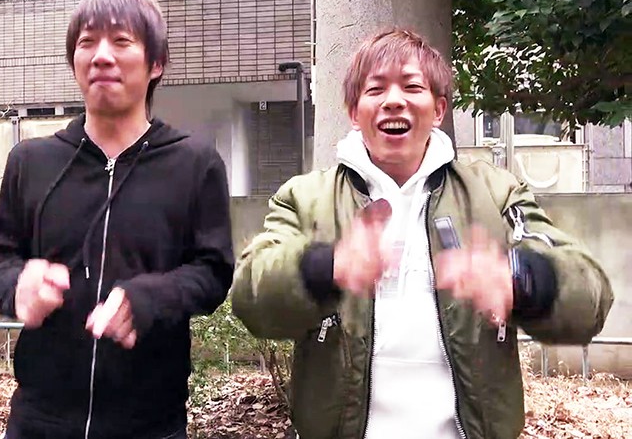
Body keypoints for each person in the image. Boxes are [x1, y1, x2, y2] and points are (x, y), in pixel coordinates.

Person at [230, 29, 614, 439]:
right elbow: (251, 298)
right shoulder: (305, 198)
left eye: (412, 87)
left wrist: (523, 279)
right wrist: (326, 267)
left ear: (439, 109)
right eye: (375, 89)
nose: (394, 100)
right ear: (354, 111)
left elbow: (589, 301)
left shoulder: (496, 192)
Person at [0, 0, 234, 438]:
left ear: (156, 63)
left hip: (150, 424)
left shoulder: (194, 163)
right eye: (87, 42)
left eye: (121, 41)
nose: (101, 56)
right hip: (38, 421)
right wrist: (17, 286)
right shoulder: (31, 161)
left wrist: (149, 299)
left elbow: (213, 272)